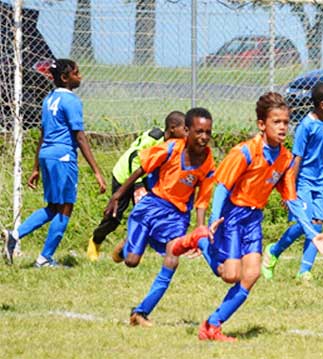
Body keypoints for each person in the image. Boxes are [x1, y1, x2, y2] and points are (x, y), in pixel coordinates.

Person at [170, 92, 323, 342]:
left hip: (254, 219)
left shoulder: (285, 159)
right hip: (232, 217)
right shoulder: (245, 151)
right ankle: (199, 240)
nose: (282, 127)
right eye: (276, 122)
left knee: (252, 274)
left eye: (286, 122)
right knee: (231, 275)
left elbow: (292, 200)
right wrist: (213, 219)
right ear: (261, 125)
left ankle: (212, 326)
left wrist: (313, 234)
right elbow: (223, 186)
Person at [106, 108, 215, 326]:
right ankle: (127, 246)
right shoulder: (171, 148)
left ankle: (141, 313)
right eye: (199, 131)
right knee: (131, 261)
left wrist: (199, 230)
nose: (203, 137)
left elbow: (202, 199)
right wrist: (118, 194)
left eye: (208, 132)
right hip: (151, 207)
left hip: (176, 216)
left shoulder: (208, 163)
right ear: (186, 131)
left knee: (172, 260)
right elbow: (141, 169)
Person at [1, 58, 107, 267]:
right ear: (65, 78)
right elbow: (79, 137)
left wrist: (35, 168)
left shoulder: (48, 99)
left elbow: (42, 134)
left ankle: (14, 234)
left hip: (47, 155)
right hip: (63, 157)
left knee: (52, 207)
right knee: (66, 207)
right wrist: (96, 171)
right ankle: (44, 259)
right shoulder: (72, 101)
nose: (80, 77)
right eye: (77, 73)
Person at [262, 82, 323, 281]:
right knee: (304, 224)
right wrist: (289, 190)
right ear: (322, 105)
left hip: (321, 182)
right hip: (302, 181)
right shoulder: (306, 126)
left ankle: (304, 272)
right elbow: (297, 159)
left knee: (317, 224)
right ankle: (274, 251)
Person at [86, 111, 188, 261]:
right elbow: (135, 158)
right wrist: (138, 185)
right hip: (125, 176)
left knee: (146, 216)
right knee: (114, 217)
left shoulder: (177, 145)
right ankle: (95, 241)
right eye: (184, 129)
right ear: (172, 128)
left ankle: (126, 248)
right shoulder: (154, 137)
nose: (187, 133)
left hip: (147, 180)